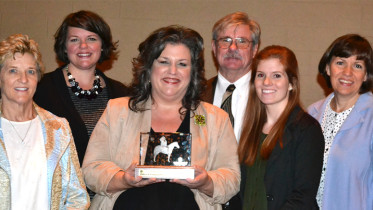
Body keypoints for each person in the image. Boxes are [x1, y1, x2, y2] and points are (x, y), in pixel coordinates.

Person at [82, 25, 240, 210]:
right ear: (149, 68)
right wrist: (123, 179)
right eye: (164, 62)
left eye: (182, 64)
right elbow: (91, 169)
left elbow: (232, 178)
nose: (172, 71)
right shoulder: (118, 110)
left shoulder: (215, 119)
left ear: (192, 72)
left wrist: (205, 182)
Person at [0, 34, 89, 209]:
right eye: (13, 70)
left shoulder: (58, 128)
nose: (23, 79)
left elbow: (77, 197)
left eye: (31, 71)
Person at [33, 10, 130, 165]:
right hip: (57, 187)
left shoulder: (121, 94)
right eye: (74, 40)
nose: (83, 46)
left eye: (91, 39)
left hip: (109, 187)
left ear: (102, 46)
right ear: (64, 47)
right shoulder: (40, 89)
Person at [238, 45, 324, 210]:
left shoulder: (307, 129)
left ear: (291, 83)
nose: (267, 82)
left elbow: (303, 196)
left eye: (276, 75)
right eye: (260, 75)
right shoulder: (251, 127)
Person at [202, 11, 261, 209]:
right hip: (202, 200)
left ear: (254, 49)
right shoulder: (194, 96)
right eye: (225, 40)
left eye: (242, 41)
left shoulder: (268, 98)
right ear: (213, 47)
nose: (232, 48)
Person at [308, 34, 373, 210]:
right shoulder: (310, 115)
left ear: (366, 75)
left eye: (358, 66)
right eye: (340, 62)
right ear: (328, 68)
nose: (347, 72)